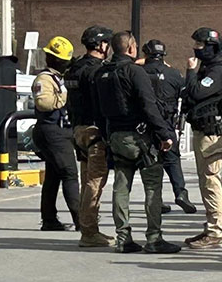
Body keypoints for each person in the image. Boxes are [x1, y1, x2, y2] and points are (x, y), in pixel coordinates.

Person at [95, 31, 180, 254]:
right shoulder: (134, 72)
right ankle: (154, 238)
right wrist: (164, 134)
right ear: (131, 48)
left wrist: (106, 135)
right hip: (140, 137)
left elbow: (98, 109)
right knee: (152, 186)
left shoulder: (102, 73)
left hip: (115, 135)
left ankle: (123, 237)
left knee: (121, 187)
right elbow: (148, 105)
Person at [181, 27, 222, 249]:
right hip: (202, 129)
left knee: (211, 180)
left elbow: (196, 92)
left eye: (200, 45)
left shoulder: (219, 71)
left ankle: (215, 231)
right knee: (205, 181)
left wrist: (190, 72)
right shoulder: (209, 68)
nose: (196, 49)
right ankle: (210, 226)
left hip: (211, 133)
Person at [65, 25, 114, 248]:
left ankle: (88, 228)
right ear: (101, 45)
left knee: (86, 180)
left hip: (78, 129)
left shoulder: (74, 68)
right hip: (95, 130)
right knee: (94, 182)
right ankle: (89, 231)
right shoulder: (96, 71)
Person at [141, 39, 197, 215]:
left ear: (145, 54)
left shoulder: (138, 73)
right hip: (167, 124)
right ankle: (181, 193)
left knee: (151, 163)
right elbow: (187, 92)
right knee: (172, 160)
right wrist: (190, 71)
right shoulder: (173, 74)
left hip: (144, 125)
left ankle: (156, 200)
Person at [32, 36, 80, 232]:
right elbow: (43, 103)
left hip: (59, 131)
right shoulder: (44, 79)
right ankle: (81, 219)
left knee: (53, 175)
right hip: (51, 131)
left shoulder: (58, 78)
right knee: (69, 173)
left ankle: (49, 219)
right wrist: (66, 97)